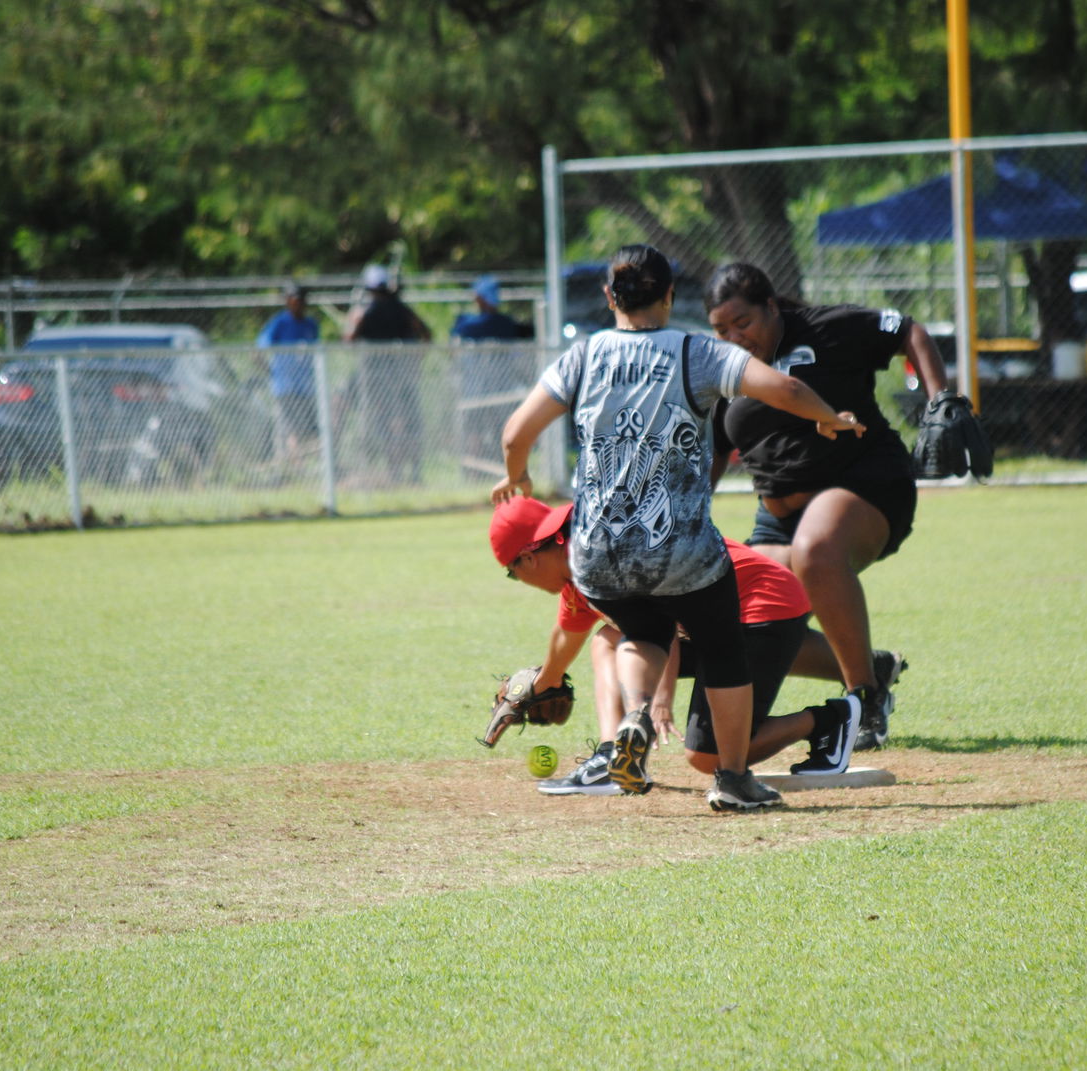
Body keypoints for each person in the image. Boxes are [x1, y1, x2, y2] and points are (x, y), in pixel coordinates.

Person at [493, 243, 865, 812]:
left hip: (599, 553)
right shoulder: (696, 351)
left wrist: (516, 477)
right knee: (721, 647)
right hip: (682, 549)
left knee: (639, 633)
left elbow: (516, 433)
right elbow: (784, 389)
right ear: (669, 296)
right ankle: (735, 780)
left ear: (608, 297)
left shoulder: (584, 355)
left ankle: (633, 719)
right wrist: (829, 418)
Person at [702, 262, 946, 750]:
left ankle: (864, 702)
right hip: (777, 517)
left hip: (865, 484)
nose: (733, 336)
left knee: (816, 550)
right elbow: (711, 451)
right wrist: (691, 511)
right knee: (754, 623)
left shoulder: (823, 329)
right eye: (721, 328)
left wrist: (944, 401)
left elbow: (909, 330)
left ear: (771, 306)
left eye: (743, 322)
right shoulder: (720, 368)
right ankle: (871, 668)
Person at [489, 497, 885, 795]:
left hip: (762, 607)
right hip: (708, 618)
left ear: (529, 557)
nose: (517, 579)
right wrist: (536, 686)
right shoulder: (579, 571)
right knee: (606, 641)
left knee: (707, 758)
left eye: (511, 572)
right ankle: (612, 758)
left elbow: (665, 617)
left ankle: (830, 719)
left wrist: (657, 702)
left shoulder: (606, 554)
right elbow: (563, 645)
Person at [342, 264, 434, 485]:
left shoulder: (377, 311)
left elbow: (349, 340)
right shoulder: (397, 309)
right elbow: (426, 334)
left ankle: (405, 475)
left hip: (385, 381)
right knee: (399, 426)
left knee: (394, 426)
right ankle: (410, 475)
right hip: (387, 380)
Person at [452, 276, 534, 470]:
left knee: (483, 432)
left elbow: (460, 330)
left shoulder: (479, 324)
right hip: (487, 390)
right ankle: (488, 469)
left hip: (486, 390)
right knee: (484, 431)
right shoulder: (503, 324)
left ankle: (482, 470)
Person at [254, 282, 322, 461]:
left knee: (310, 430)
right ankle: (294, 466)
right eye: (292, 300)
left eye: (299, 300)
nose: (296, 304)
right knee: (290, 430)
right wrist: (272, 373)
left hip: (306, 387)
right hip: (285, 387)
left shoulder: (310, 325)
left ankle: (304, 462)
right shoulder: (279, 323)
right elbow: (258, 352)